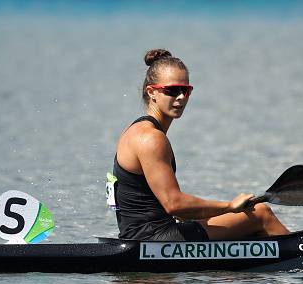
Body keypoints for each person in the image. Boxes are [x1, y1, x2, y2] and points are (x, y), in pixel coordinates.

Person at [112, 48, 290, 241]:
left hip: (140, 236)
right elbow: (175, 205)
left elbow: (176, 210)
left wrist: (222, 213)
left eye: (186, 90)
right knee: (261, 214)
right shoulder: (151, 139)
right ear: (151, 92)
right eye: (172, 90)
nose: (181, 97)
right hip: (154, 239)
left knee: (240, 227)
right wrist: (230, 206)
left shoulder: (134, 130)